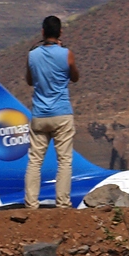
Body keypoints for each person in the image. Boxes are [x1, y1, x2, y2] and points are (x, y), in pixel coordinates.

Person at [24, 15, 79, 209]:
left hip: (40, 114)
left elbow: (30, 80)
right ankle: (63, 204)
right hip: (62, 113)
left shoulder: (33, 55)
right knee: (64, 160)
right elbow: (75, 77)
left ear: (42, 32)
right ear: (60, 33)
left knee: (35, 161)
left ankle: (31, 204)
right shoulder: (67, 54)